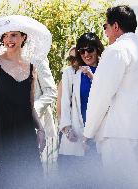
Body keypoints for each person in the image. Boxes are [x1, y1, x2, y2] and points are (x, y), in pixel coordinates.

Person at [83, 5, 138, 188]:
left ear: (115, 26)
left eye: (105, 27)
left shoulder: (117, 50)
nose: (106, 32)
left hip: (119, 135)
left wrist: (88, 133)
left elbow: (100, 96)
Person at [0, 15, 52, 189]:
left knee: (30, 182)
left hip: (25, 134)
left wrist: (41, 129)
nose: (9, 40)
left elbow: (29, 106)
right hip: (2, 133)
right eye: (6, 36)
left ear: (23, 37)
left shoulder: (32, 67)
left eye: (14, 35)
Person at [57, 33, 104, 188]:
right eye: (81, 51)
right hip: (75, 136)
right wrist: (66, 127)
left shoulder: (106, 71)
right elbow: (64, 102)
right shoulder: (71, 72)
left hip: (98, 135)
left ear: (97, 49)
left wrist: (93, 77)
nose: (86, 54)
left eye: (89, 49)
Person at [34, 57, 57, 139]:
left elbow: (51, 91)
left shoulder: (37, 58)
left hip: (36, 127)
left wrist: (33, 110)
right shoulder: (0, 61)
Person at [56, 46, 77, 120]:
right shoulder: (66, 77)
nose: (74, 61)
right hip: (69, 122)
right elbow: (59, 105)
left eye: (77, 57)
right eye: (71, 58)